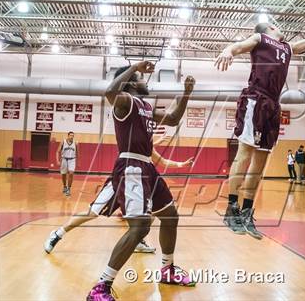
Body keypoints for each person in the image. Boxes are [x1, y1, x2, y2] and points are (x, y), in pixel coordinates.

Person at [69, 61, 195, 300]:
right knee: (140, 227)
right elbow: (109, 92)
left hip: (147, 166)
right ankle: (101, 287)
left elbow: (174, 118)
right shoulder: (124, 101)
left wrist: (186, 94)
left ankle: (167, 269)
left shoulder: (146, 106)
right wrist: (134, 65)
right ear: (129, 83)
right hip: (131, 166)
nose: (143, 80)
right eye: (139, 77)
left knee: (170, 216)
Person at [215, 17, 305, 238]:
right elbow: (239, 46)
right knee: (244, 155)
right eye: (277, 25)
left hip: (273, 104)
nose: (281, 27)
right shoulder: (260, 37)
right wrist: (227, 51)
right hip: (256, 98)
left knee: (260, 163)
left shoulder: (287, 47)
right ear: (271, 28)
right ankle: (231, 209)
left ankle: (246, 212)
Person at [44, 146, 194, 255]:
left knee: (152, 211)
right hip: (119, 182)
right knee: (92, 213)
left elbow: (160, 160)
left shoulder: (147, 141)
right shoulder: (129, 137)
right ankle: (57, 234)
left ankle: (139, 241)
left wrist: (181, 164)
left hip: (139, 182)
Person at [56, 131, 78, 196]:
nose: (72, 137)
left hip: (72, 159)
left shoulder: (76, 143)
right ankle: (65, 186)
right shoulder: (63, 142)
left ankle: (69, 189)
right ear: (68, 136)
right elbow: (57, 152)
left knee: (71, 173)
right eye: (70, 135)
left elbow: (78, 153)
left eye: (73, 136)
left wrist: (79, 162)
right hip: (64, 159)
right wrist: (57, 160)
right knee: (63, 174)